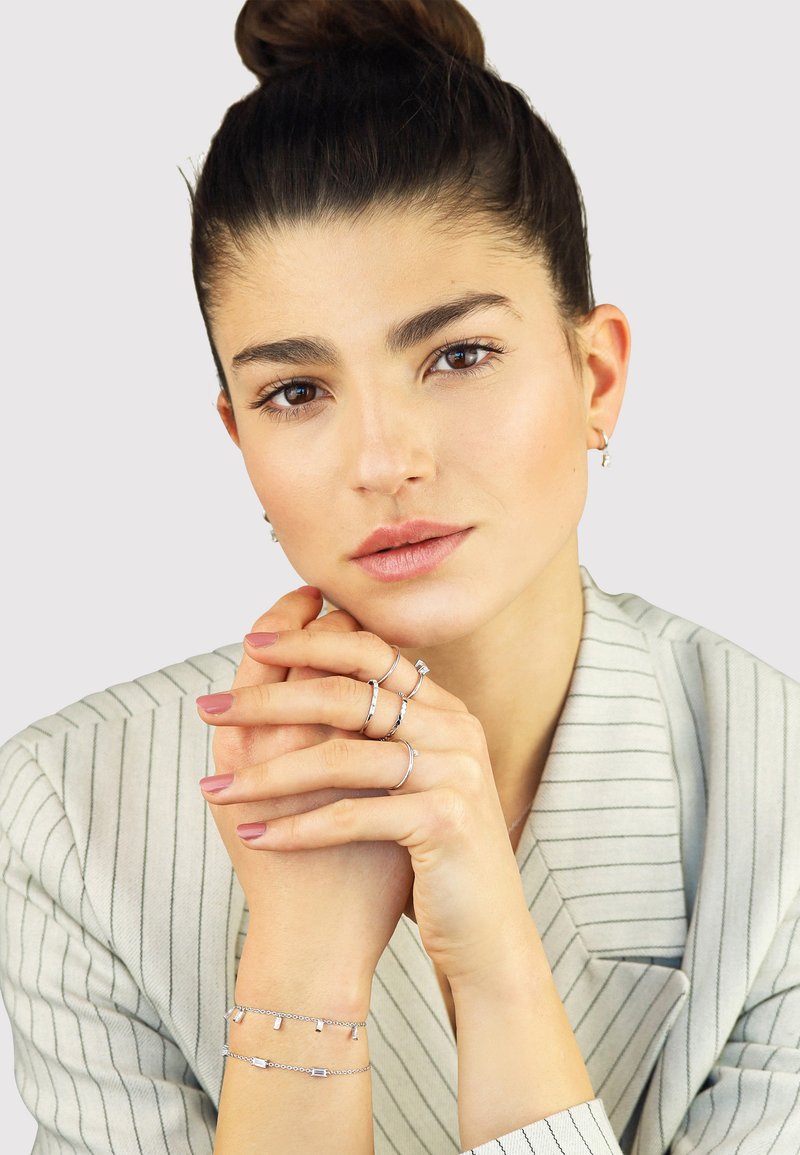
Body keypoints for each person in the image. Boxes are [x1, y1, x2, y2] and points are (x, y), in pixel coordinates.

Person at [1, 0, 798, 1151]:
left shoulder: (770, 809)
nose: (384, 462)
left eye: (457, 356)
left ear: (596, 374)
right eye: (296, 392)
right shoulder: (79, 811)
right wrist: (302, 969)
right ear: (240, 442)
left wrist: (494, 960)